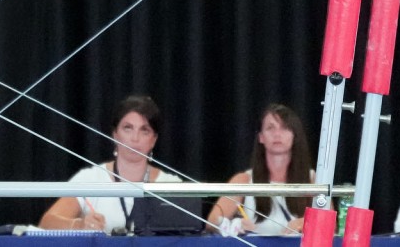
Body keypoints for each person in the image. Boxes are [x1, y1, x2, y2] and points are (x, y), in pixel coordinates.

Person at [39, 94, 183, 232]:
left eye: (144, 130)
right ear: (115, 134)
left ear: (154, 140)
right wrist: (79, 225)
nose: (135, 138)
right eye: (128, 128)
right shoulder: (90, 178)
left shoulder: (171, 184)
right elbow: (46, 223)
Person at [207, 104, 315, 235]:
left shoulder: (312, 179)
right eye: (270, 128)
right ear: (261, 137)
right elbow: (212, 221)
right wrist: (234, 223)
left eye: (285, 128)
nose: (277, 134)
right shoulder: (244, 180)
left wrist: (308, 223)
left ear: (295, 136)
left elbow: (331, 226)